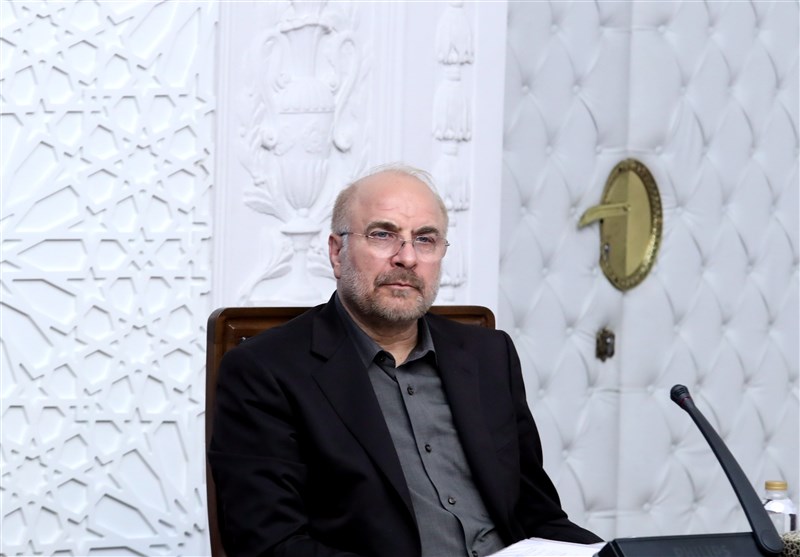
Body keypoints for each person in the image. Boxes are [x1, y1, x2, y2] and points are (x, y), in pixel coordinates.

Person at [208, 164, 601, 557]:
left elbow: (537, 513)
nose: (408, 258)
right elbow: (271, 546)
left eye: (425, 239)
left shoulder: (489, 355)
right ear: (337, 252)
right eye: (383, 234)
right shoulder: (265, 370)